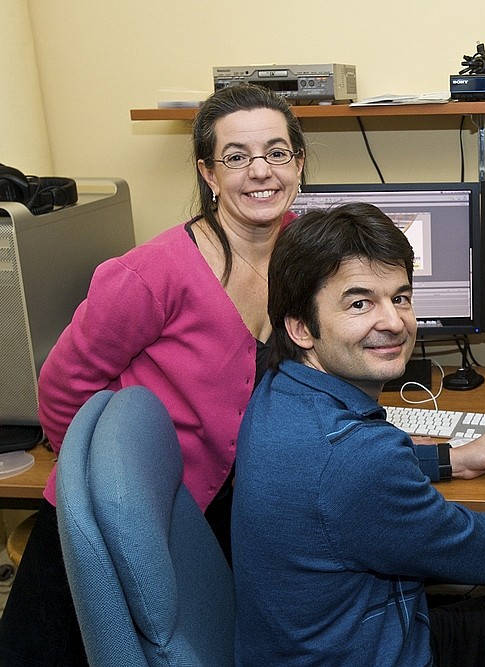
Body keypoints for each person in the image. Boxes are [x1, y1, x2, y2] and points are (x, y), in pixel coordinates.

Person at [0, 82, 307, 666]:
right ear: (208, 174)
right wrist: (108, 490)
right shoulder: (154, 272)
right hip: (116, 520)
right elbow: (62, 387)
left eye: (276, 152)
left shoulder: (303, 255)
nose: (259, 172)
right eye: (236, 157)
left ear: (298, 161)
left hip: (212, 514)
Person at [231, 203, 485, 667]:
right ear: (301, 328)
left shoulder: (278, 388)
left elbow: (328, 482)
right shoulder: (357, 456)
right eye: (360, 304)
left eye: (400, 297)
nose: (394, 322)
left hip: (307, 644)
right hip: (369, 654)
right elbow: (480, 553)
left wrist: (449, 460)